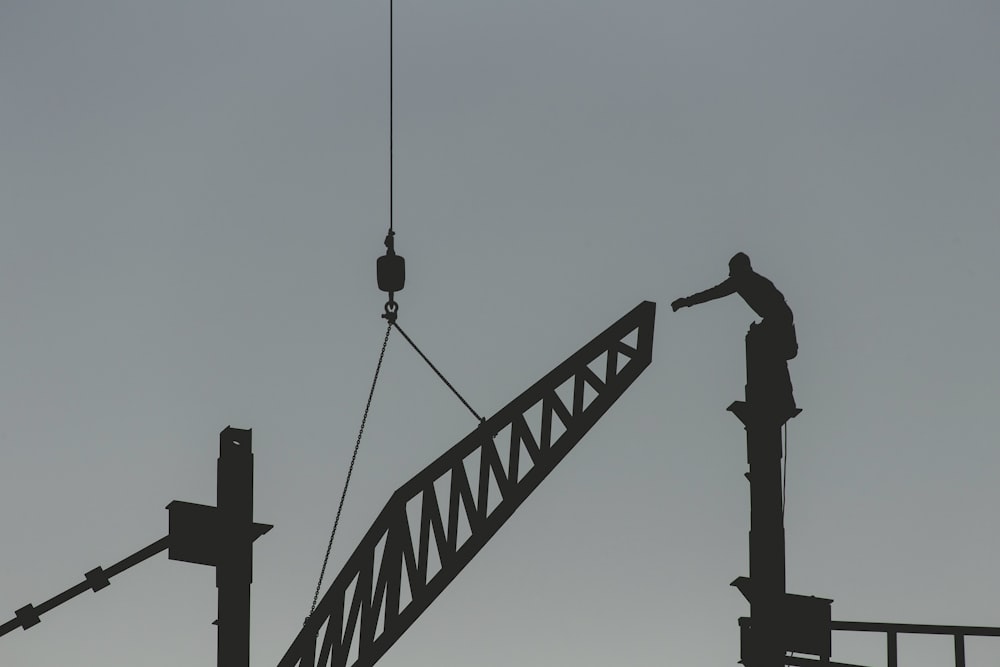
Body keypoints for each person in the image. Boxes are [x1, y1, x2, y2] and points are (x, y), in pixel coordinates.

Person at [672, 252, 798, 421]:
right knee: (771, 356)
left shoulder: (745, 279)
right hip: (778, 319)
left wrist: (686, 302)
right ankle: (777, 396)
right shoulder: (753, 279)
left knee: (768, 354)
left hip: (778, 320)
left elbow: (714, 292)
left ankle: (771, 395)